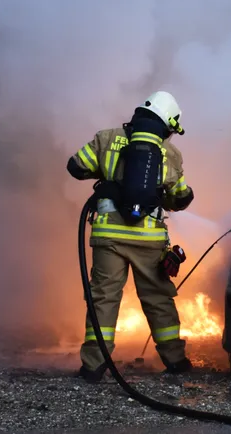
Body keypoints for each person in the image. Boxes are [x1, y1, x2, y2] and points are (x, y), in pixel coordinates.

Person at [67, 90, 195, 382]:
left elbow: (75, 166)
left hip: (107, 238)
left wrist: (109, 181)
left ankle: (94, 365)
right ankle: (175, 361)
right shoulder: (170, 153)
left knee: (103, 298)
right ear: (166, 123)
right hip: (148, 241)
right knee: (158, 298)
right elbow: (180, 198)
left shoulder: (106, 138)